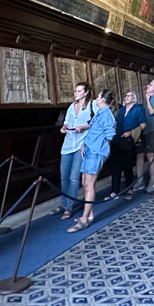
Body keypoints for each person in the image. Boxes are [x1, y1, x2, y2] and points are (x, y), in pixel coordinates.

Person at [68, 90, 115, 232]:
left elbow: (109, 136)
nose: (96, 98)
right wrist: (85, 144)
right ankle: (89, 215)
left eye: (98, 96)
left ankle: (84, 220)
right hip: (89, 151)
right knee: (84, 183)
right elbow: (94, 130)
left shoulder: (107, 114)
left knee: (89, 184)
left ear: (102, 99)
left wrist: (99, 150)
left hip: (95, 153)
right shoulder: (100, 113)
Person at [55, 82, 93, 220]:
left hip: (80, 145)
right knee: (64, 176)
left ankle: (69, 207)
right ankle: (65, 203)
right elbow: (66, 122)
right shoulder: (72, 106)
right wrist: (64, 128)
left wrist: (83, 127)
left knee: (73, 177)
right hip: (68, 145)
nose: (76, 93)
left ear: (86, 92)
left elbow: (95, 122)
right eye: (75, 90)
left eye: (79, 91)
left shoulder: (91, 105)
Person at [107, 91, 145, 201]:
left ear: (134, 99)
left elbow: (143, 125)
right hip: (117, 139)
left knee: (127, 166)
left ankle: (129, 189)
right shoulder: (121, 109)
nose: (127, 97)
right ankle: (115, 191)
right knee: (116, 166)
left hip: (128, 140)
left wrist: (131, 132)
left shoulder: (138, 109)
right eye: (126, 96)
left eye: (129, 96)